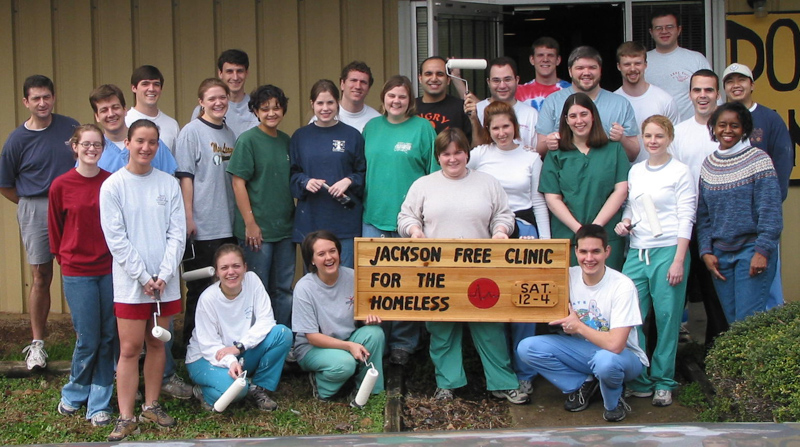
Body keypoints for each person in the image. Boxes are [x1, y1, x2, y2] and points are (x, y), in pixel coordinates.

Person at [397, 127, 528, 405]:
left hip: (482, 270)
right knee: (442, 330)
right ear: (438, 157)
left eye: (458, 152)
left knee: (490, 328)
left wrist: (502, 230)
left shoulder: (487, 182)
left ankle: (502, 383)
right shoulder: (423, 185)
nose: (453, 158)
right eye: (446, 154)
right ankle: (447, 384)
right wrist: (414, 231)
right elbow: (406, 217)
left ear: (467, 153)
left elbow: (504, 214)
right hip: (436, 270)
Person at [99, 120, 186, 441]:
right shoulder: (113, 186)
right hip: (131, 284)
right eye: (140, 141)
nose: (146, 148)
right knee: (130, 347)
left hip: (164, 284)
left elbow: (176, 234)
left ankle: (152, 404)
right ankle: (125, 415)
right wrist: (142, 276)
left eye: (152, 142)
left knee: (157, 342)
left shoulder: (168, 184)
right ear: (128, 143)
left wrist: (162, 275)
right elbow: (116, 238)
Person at [517, 224, 648, 423]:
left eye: (596, 251)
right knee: (527, 348)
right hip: (582, 351)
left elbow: (615, 345)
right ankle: (584, 384)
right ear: (575, 251)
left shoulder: (622, 286)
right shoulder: (567, 276)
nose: (589, 258)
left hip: (623, 357)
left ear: (607, 251)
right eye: (584, 251)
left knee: (606, 361)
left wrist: (578, 326)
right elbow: (529, 279)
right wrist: (527, 249)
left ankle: (613, 401)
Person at [466, 101, 551, 394]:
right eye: (495, 127)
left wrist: (545, 244)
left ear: (515, 126)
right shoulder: (479, 155)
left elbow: (539, 201)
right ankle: (499, 372)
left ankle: (525, 371)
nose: (502, 133)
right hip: (488, 235)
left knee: (524, 305)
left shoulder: (531, 158)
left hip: (525, 233)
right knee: (493, 301)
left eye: (506, 126)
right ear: (487, 130)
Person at [614, 115, 696, 407]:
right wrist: (625, 223)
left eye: (659, 136)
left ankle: (664, 381)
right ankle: (640, 379)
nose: (652, 141)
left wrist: (678, 259)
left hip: (667, 252)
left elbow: (687, 216)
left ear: (669, 138)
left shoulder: (680, 172)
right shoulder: (636, 171)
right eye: (648, 135)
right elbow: (631, 208)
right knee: (631, 316)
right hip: (637, 251)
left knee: (667, 319)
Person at [0, 74, 79, 370]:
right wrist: (30, 206)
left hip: (71, 208)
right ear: (26, 102)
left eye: (46, 96)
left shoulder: (70, 127)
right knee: (41, 276)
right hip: (34, 207)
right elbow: (5, 184)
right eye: (36, 98)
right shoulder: (16, 140)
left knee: (77, 273)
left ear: (54, 97)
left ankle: (85, 340)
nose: (42, 103)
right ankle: (37, 344)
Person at [361, 75, 437, 366]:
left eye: (402, 97)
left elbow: (433, 175)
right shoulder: (371, 128)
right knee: (378, 283)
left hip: (411, 222)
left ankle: (404, 343)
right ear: (383, 99)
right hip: (374, 217)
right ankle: (377, 337)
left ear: (410, 101)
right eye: (391, 96)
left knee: (407, 284)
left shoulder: (423, 129)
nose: (396, 101)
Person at [48, 124, 115, 427]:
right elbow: (54, 231)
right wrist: (66, 259)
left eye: (97, 145)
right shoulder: (61, 185)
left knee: (107, 336)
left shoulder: (112, 183)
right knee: (88, 338)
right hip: (77, 271)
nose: (91, 149)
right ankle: (75, 391)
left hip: (109, 270)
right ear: (74, 146)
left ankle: (100, 399)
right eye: (85, 144)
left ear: (103, 149)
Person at [697, 102, 782, 324]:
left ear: (744, 129)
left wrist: (762, 251)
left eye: (734, 125)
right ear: (713, 128)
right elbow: (704, 215)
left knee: (747, 325)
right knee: (734, 325)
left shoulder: (759, 159)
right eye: (722, 125)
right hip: (720, 256)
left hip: (751, 252)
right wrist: (706, 251)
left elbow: (771, 211)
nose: (727, 130)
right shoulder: (709, 165)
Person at [185, 244, 292, 412]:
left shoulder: (252, 281)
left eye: (236, 266)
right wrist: (231, 361)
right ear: (217, 272)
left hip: (238, 350)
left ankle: (258, 388)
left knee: (282, 334)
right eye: (224, 268)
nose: (231, 272)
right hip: (206, 358)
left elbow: (266, 321)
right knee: (238, 390)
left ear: (245, 267)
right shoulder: (208, 299)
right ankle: (203, 391)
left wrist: (239, 347)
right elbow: (209, 346)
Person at [722, 62, 793, 310]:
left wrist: (770, 206)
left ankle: (771, 337)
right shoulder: (721, 119)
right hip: (729, 222)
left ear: (752, 85)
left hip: (762, 217)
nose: (736, 85)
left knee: (768, 278)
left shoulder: (769, 118)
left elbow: (783, 162)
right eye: (730, 81)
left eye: (741, 80)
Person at [175, 78, 238, 343]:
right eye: (211, 98)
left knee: (223, 289)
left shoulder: (229, 133)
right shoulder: (191, 132)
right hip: (202, 227)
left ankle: (217, 342)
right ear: (201, 102)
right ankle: (191, 345)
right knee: (199, 290)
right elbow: (186, 177)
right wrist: (188, 217)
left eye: (222, 97)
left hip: (228, 225)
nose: (218, 102)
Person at [227, 85, 295, 328]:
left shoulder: (287, 141)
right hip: (258, 233)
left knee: (284, 290)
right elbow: (238, 183)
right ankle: (257, 342)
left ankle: (283, 342)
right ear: (255, 111)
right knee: (257, 289)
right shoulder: (248, 140)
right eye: (265, 108)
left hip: (285, 229)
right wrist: (250, 223)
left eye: (276, 107)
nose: (271, 113)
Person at [669, 69, 728, 344]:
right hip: (686, 221)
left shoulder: (730, 130)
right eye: (697, 90)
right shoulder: (679, 132)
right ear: (690, 94)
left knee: (716, 289)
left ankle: (717, 350)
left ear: (718, 94)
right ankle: (677, 354)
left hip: (721, 223)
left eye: (709, 90)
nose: (703, 96)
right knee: (680, 286)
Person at [539, 93, 629, 269]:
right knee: (570, 292)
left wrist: (595, 229)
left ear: (593, 116)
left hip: (606, 237)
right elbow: (552, 198)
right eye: (573, 116)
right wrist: (580, 231)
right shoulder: (556, 154)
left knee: (608, 289)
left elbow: (621, 191)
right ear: (566, 120)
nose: (579, 121)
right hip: (569, 239)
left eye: (583, 114)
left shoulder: (614, 149)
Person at [292, 230, 385, 401]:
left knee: (375, 333)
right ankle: (322, 388)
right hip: (313, 348)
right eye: (321, 254)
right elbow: (312, 337)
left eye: (332, 251)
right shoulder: (304, 288)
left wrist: (367, 319)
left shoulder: (353, 276)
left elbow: (361, 314)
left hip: (347, 339)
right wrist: (349, 346)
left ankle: (369, 390)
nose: (329, 257)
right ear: (312, 260)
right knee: (345, 364)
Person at [290, 80, 366, 268]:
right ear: (312, 104)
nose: (325, 108)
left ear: (338, 103)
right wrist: (305, 182)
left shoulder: (352, 135)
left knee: (347, 280)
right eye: (320, 103)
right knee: (315, 281)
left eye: (330, 102)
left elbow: (363, 173)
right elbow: (292, 175)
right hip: (311, 221)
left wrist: (348, 181)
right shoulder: (300, 136)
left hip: (345, 222)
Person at [536, 46, 640, 162]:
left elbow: (633, 155)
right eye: (580, 68)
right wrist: (550, 143)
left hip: (608, 175)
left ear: (600, 70)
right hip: (567, 174)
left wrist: (622, 139)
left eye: (592, 67)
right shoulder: (553, 102)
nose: (586, 73)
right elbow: (540, 151)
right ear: (570, 71)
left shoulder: (621, 104)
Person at [613, 41, 679, 164]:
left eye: (637, 63)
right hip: (622, 176)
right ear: (618, 66)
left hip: (658, 174)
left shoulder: (664, 100)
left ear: (645, 65)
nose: (633, 69)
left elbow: (675, 143)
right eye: (627, 64)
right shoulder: (612, 102)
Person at [90, 84, 178, 175]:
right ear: (97, 116)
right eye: (104, 110)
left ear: (125, 110)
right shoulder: (92, 151)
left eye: (115, 107)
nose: (111, 114)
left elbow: (169, 180)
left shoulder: (152, 144)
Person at [645, 9, 712, 122]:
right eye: (658, 28)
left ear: (679, 30)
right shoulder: (641, 62)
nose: (664, 31)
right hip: (653, 135)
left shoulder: (696, 59)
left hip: (690, 133)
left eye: (669, 27)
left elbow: (713, 96)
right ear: (651, 32)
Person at [464, 57, 539, 153]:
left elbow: (536, 153)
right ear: (488, 82)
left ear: (517, 80)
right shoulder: (475, 110)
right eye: (496, 80)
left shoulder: (531, 114)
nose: (502, 85)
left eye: (507, 79)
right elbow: (474, 152)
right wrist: (474, 120)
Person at [191, 49, 259, 138]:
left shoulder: (258, 107)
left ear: (247, 73)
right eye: (229, 71)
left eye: (240, 71)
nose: (235, 77)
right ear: (220, 73)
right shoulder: (203, 110)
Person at [310, 61, 381, 133]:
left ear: (368, 88)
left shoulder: (376, 120)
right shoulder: (323, 116)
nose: (358, 86)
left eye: (363, 82)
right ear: (342, 84)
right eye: (353, 80)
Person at [124, 65, 181, 154]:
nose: (151, 89)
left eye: (156, 84)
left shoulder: (172, 125)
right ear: (134, 88)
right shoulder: (125, 121)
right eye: (145, 84)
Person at [416, 56, 472, 138]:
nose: (434, 79)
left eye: (440, 74)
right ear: (420, 78)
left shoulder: (462, 108)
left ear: (448, 80)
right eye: (428, 74)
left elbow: (476, 147)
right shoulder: (410, 107)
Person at [516, 37, 572, 111]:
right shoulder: (519, 92)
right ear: (532, 60)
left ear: (558, 60)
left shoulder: (570, 91)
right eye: (540, 55)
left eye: (550, 55)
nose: (545, 60)